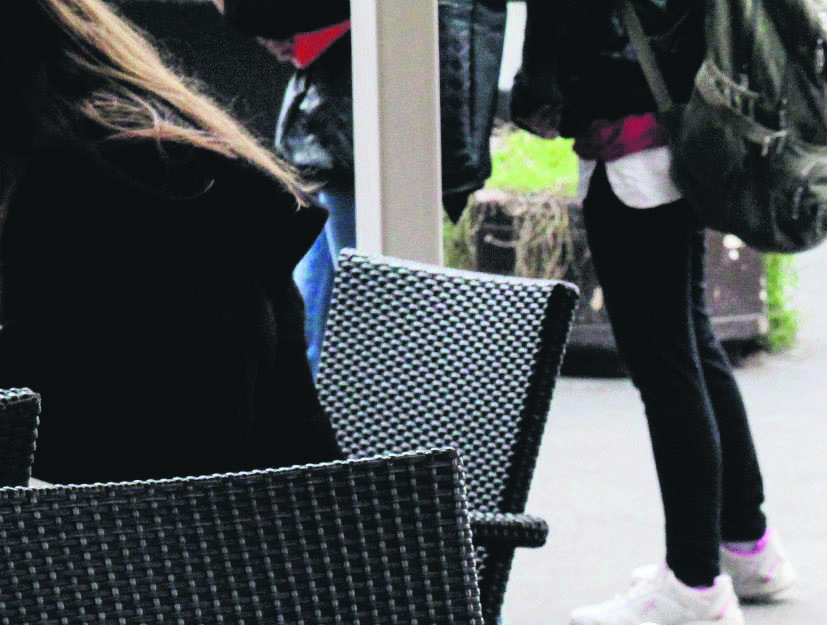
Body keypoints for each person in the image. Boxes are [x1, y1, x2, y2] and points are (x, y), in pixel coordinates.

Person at [511, 0, 797, 625]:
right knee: (690, 344)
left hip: (630, 142)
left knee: (666, 365)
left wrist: (538, 91)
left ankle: (695, 585)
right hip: (681, 129)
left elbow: (569, 31)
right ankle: (746, 548)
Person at [0, 0, 341, 482]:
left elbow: (146, 445)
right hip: (286, 520)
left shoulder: (94, 197)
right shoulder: (155, 159)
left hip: (191, 537)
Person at [217, 0, 505, 370]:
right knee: (334, 312)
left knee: (370, 317)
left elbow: (258, 13)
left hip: (361, 128)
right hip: (353, 122)